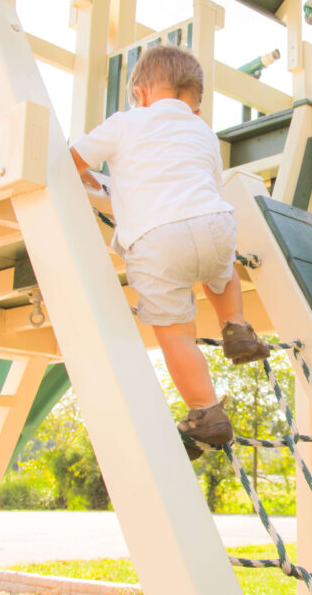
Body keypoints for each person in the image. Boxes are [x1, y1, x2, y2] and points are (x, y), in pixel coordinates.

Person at [70, 44, 270, 460]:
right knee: (221, 268)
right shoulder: (202, 132)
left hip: (156, 240)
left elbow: (71, 160)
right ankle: (236, 328)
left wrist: (91, 177)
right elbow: (204, 185)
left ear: (139, 93)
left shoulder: (126, 122)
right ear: (193, 101)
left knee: (176, 333)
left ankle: (206, 413)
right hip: (214, 222)